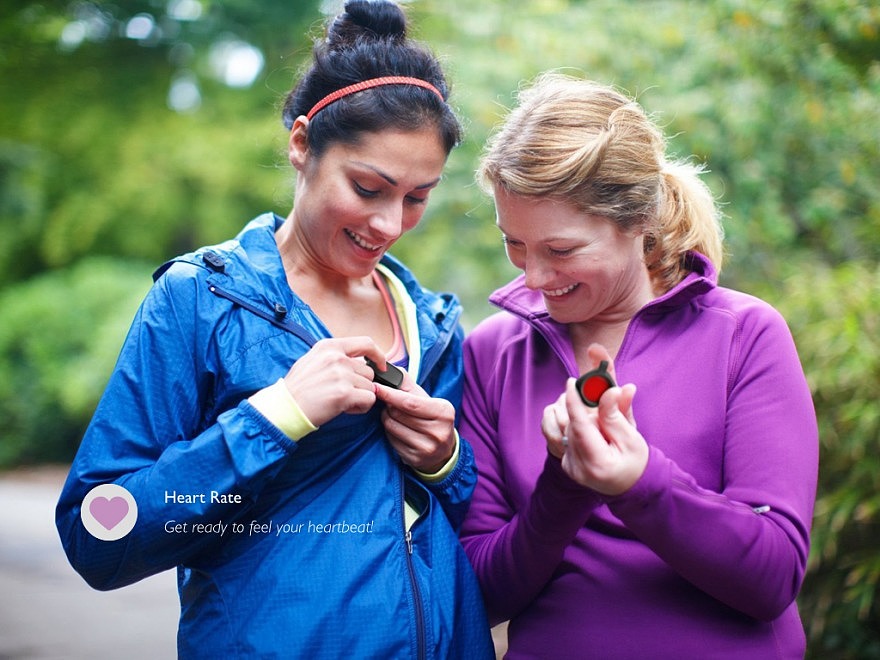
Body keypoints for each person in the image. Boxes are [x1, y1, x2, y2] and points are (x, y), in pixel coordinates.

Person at [55, 2, 494, 657]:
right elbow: (100, 532)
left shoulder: (432, 326)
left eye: (417, 196)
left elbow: (476, 529)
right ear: (301, 144)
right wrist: (278, 417)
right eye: (368, 187)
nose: (391, 223)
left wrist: (446, 463)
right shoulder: (200, 300)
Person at [459, 73, 818, 659]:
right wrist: (564, 487)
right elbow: (480, 592)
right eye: (514, 244)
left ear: (639, 222)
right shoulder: (495, 352)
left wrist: (639, 483)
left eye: (561, 250)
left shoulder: (744, 335)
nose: (532, 278)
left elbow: (773, 576)